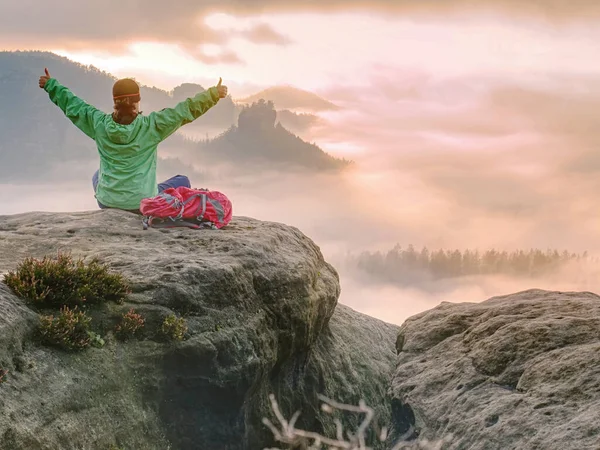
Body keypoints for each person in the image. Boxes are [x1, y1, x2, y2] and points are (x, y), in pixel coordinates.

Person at [38, 68, 228, 213]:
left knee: (97, 175)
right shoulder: (152, 126)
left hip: (107, 202)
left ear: (115, 102)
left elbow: (74, 106)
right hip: (142, 204)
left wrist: (50, 85)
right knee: (183, 180)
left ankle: (115, 196)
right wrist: (212, 95)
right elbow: (184, 111)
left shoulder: (98, 124)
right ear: (137, 102)